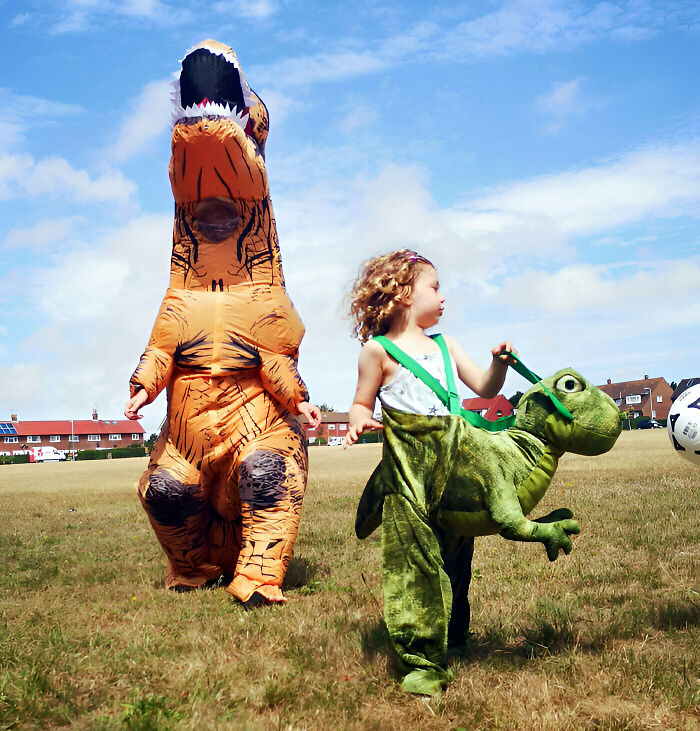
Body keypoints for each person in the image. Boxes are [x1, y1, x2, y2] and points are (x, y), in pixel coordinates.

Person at [344, 249, 516, 695]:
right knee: (415, 565)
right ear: (402, 293)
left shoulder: (446, 345)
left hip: (454, 473)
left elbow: (484, 387)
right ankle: (420, 659)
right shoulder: (376, 352)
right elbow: (361, 401)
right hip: (408, 479)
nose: (443, 297)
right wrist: (359, 418)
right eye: (434, 287)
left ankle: (453, 639)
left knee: (457, 563)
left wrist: (499, 363)